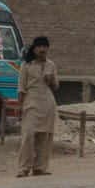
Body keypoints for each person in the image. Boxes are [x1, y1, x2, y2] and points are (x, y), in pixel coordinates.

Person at [15, 36, 60, 177]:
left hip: (47, 102)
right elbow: (21, 88)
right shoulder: (26, 66)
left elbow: (55, 86)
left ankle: (40, 167)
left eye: (45, 46)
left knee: (44, 136)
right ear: (34, 49)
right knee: (29, 134)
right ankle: (24, 168)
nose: (43, 49)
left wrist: (50, 79)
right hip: (31, 101)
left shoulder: (51, 65)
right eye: (40, 46)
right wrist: (19, 105)